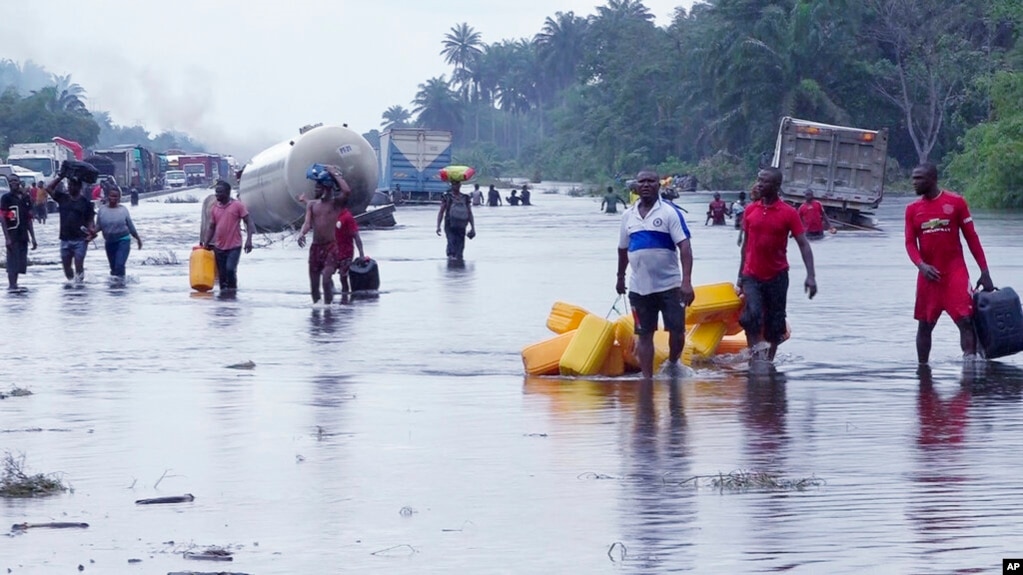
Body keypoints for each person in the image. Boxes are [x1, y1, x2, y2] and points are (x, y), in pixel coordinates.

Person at [904, 163, 994, 364]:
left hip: (955, 273)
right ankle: (923, 372)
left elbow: (972, 238)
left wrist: (984, 271)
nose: (914, 183)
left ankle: (970, 369)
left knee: (965, 322)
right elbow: (910, 243)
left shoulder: (956, 203)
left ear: (933, 180)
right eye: (913, 178)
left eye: (919, 179)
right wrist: (921, 265)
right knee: (924, 326)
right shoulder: (912, 210)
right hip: (929, 276)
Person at [616, 168, 695, 379]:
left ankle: (673, 362)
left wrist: (686, 282)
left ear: (658, 185)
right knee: (644, 334)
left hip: (670, 286)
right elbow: (623, 249)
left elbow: (685, 248)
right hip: (639, 287)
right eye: (642, 182)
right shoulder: (627, 216)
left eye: (651, 181)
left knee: (677, 331)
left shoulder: (669, 213)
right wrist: (620, 277)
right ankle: (647, 379)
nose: (646, 185)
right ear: (636, 186)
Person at [737, 167, 817, 362]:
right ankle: (756, 357)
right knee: (752, 315)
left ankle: (769, 361)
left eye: (764, 181)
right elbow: (745, 246)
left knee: (775, 323)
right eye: (758, 180)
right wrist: (740, 277)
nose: (759, 184)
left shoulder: (788, 213)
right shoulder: (750, 210)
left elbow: (804, 245)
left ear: (776, 186)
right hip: (751, 275)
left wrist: (811, 276)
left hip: (777, 275)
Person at [297, 165, 350, 304]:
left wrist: (334, 174)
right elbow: (307, 223)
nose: (315, 190)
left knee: (326, 279)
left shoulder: (335, 204)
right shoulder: (312, 205)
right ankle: (317, 311)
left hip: (331, 248)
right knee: (314, 286)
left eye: (318, 187)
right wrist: (302, 233)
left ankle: (328, 309)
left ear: (327, 187)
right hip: (315, 248)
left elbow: (346, 190)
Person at [46, 164, 97, 282]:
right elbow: (49, 189)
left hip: (80, 239)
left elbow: (90, 220)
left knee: (79, 264)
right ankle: (71, 284)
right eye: (69, 185)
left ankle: (79, 285)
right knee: (66, 267)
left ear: (79, 187)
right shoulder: (63, 198)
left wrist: (91, 231)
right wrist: (61, 177)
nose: (70, 187)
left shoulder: (86, 203)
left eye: (73, 185)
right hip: (65, 238)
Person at [202, 180, 253, 291]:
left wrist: (249, 240)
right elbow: (211, 227)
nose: (217, 195)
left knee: (230, 269)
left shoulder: (237, 206)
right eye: (216, 192)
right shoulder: (215, 208)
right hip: (219, 246)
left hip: (234, 246)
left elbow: (249, 222)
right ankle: (225, 302)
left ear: (228, 193)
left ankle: (233, 293)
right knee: (222, 276)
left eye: (220, 192)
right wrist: (205, 244)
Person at [95, 187, 142, 280]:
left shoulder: (123, 210)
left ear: (119, 198)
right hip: (109, 242)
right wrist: (90, 234)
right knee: (113, 268)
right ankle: (116, 287)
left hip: (123, 240)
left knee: (119, 265)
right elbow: (98, 226)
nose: (113, 198)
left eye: (116, 196)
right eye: (112, 196)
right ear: (108, 196)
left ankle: (121, 287)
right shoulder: (102, 210)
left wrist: (138, 239)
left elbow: (130, 226)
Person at [1, 175, 37, 290]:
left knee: (20, 263)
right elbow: (2, 218)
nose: (13, 183)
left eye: (15, 181)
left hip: (23, 235)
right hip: (13, 235)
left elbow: (29, 219)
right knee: (12, 263)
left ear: (19, 183)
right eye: (11, 181)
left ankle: (15, 286)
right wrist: (7, 238)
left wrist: (33, 238)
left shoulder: (25, 198)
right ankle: (12, 286)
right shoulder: (6, 198)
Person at [435, 180, 476, 261]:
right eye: (454, 184)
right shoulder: (449, 197)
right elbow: (441, 212)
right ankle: (455, 266)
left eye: (457, 184)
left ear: (460, 185)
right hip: (453, 224)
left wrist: (473, 227)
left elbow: (469, 213)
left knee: (459, 247)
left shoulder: (464, 197)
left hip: (460, 225)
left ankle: (455, 266)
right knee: (453, 244)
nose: (456, 186)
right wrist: (438, 226)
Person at [335, 191, 366, 293]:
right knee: (326, 273)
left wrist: (361, 254)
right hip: (333, 253)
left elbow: (356, 236)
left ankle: (345, 300)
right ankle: (330, 297)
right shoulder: (332, 216)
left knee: (343, 278)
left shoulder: (347, 217)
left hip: (346, 254)